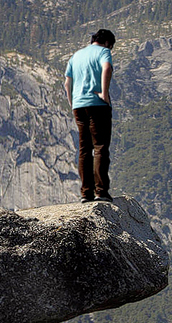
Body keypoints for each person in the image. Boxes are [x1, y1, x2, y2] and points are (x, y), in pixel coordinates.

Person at [64, 29, 115, 203]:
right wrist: (104, 93)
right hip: (97, 105)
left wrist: (72, 102)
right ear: (108, 42)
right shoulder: (104, 52)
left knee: (84, 149)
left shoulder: (76, 55)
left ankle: (86, 193)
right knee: (100, 146)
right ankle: (101, 191)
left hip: (78, 105)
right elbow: (107, 68)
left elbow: (67, 82)